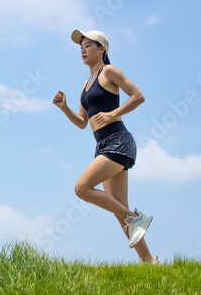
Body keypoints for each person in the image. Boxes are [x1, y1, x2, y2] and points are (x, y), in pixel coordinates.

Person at [53, 30, 157, 264]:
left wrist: (113, 114)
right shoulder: (84, 86)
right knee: (119, 210)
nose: (83, 49)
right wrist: (64, 107)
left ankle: (136, 218)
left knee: (82, 188)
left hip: (118, 140)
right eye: (81, 46)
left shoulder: (109, 71)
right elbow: (82, 122)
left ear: (102, 49)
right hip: (102, 145)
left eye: (88, 45)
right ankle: (149, 262)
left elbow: (137, 96)